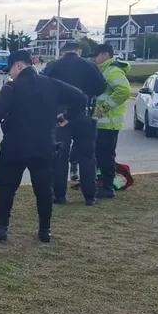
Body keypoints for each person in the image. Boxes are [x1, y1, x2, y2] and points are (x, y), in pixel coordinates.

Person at [0, 50, 88, 243]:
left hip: (14, 147)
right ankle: (44, 231)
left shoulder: (11, 88)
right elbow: (81, 98)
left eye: (11, 70)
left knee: (6, 187)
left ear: (19, 65)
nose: (10, 74)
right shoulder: (51, 84)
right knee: (44, 190)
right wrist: (67, 117)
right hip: (43, 147)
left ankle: (2, 228)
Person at [42, 41, 108, 206]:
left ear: (62, 51)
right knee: (87, 155)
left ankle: (60, 195)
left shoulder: (53, 66)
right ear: (79, 51)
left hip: (59, 115)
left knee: (60, 155)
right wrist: (88, 93)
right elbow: (102, 86)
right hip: (84, 114)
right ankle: (90, 196)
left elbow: (43, 87)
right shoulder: (90, 66)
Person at [92, 43, 131, 200]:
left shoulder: (112, 71)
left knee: (106, 155)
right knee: (102, 154)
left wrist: (105, 107)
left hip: (109, 122)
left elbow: (124, 90)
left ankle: (107, 188)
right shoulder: (105, 70)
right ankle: (102, 184)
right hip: (104, 122)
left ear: (105, 55)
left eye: (96, 56)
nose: (94, 59)